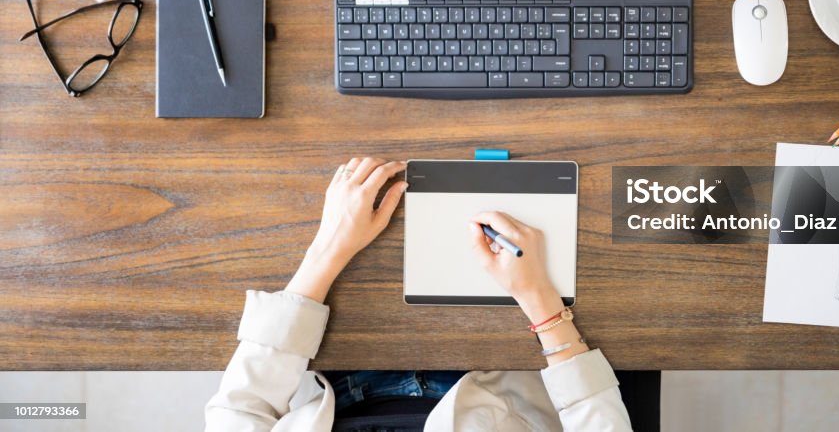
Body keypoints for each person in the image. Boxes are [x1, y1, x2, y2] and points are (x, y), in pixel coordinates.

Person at [205, 157, 632, 431]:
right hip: (500, 368)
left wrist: (329, 246)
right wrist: (541, 300)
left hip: (342, 378)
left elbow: (242, 410)